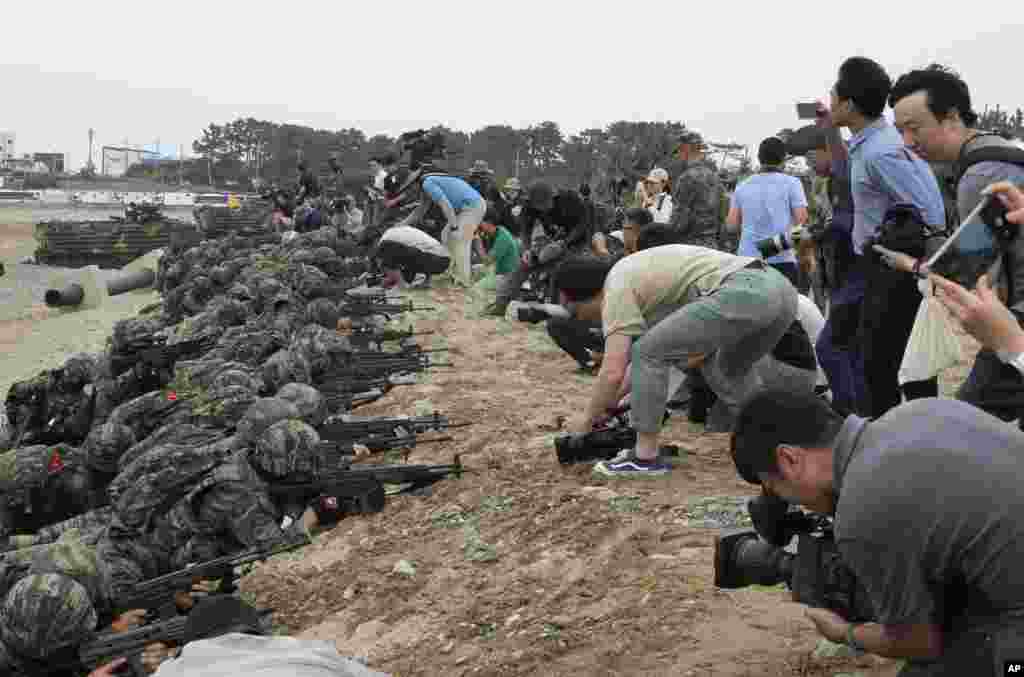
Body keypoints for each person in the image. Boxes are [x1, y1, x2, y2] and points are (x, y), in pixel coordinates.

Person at [730, 388, 1024, 676]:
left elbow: (921, 643)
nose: (793, 503)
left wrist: (846, 633)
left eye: (775, 489)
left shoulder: (862, 508)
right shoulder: (920, 410)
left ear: (789, 460)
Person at [555, 244, 797, 477]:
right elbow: (657, 359)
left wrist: (585, 423)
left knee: (647, 351)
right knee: (730, 369)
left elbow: (614, 371)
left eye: (575, 312)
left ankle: (644, 457)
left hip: (745, 289)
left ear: (583, 296)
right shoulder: (637, 275)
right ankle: (777, 440)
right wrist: (611, 404)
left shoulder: (615, 288)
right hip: (779, 290)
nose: (582, 320)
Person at [881, 64, 1024, 423]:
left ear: (952, 118)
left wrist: (918, 270)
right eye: (900, 132)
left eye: (915, 129)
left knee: (963, 422)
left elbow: (979, 278)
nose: (909, 143)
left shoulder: (979, 175)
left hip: (1017, 322)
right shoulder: (997, 151)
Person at [824, 56, 947, 418]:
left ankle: (899, 442)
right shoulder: (869, 144)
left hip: (894, 270)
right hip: (876, 267)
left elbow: (930, 211)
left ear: (848, 104)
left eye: (833, 93)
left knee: (891, 367)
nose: (829, 99)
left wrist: (917, 265)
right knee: (881, 361)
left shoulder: (883, 151)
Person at [807, 116, 866, 416]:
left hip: (854, 274)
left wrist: (814, 233)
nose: (809, 162)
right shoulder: (828, 183)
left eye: (812, 155)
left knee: (829, 349)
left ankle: (846, 409)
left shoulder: (846, 178)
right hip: (842, 275)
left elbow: (844, 224)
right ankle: (858, 408)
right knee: (852, 349)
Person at [726, 137, 809, 288]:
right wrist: (772, 248)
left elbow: (731, 226)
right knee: (783, 310)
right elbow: (801, 222)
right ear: (783, 159)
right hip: (782, 262)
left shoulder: (742, 186)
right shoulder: (793, 184)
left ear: (759, 158)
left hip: (747, 261)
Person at [393, 170, 485, 287]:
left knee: (459, 240)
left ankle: (463, 282)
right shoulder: (425, 188)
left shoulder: (428, 183)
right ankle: (448, 274)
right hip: (464, 209)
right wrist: (402, 224)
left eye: (409, 189)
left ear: (414, 184)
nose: (409, 193)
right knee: (445, 235)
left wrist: (455, 227)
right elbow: (420, 211)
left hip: (473, 206)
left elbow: (445, 204)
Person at [518, 181, 593, 300]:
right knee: (535, 261)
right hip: (555, 236)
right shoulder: (529, 205)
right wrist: (526, 249)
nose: (543, 210)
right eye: (539, 207)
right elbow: (525, 228)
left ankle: (565, 297)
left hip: (578, 237)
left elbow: (583, 224)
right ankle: (536, 291)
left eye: (545, 205)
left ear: (553, 198)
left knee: (567, 267)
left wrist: (565, 242)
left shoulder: (570, 199)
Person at [671, 137, 724, 238]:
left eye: (679, 152)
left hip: (690, 243)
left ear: (685, 150)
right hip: (711, 242)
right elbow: (722, 211)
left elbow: (679, 217)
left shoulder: (687, 177)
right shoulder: (714, 177)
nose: (678, 156)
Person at [477, 207, 523, 316]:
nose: (478, 224)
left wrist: (477, 243)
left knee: (477, 287)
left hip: (506, 276)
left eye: (480, 221)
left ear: (488, 222)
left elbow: (487, 261)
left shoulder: (503, 238)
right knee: (474, 270)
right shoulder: (497, 232)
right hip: (500, 272)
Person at [373, 225, 451, 289]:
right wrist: (391, 279)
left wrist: (398, 281)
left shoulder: (384, 242)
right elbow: (408, 260)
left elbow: (389, 264)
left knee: (383, 255)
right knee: (415, 249)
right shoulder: (392, 233)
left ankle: (402, 287)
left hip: (435, 259)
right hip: (443, 260)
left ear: (374, 240)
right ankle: (427, 282)